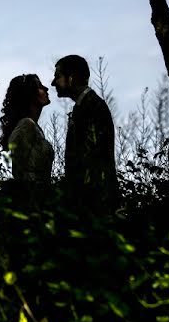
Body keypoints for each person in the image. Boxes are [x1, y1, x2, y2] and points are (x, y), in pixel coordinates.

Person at [51, 55, 118, 210]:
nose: (53, 83)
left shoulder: (93, 106)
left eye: (57, 77)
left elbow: (94, 158)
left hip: (95, 203)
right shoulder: (85, 106)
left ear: (71, 77)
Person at [0, 74, 54, 187]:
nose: (46, 88)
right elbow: (21, 173)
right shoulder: (26, 125)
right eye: (39, 86)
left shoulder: (35, 127)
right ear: (29, 94)